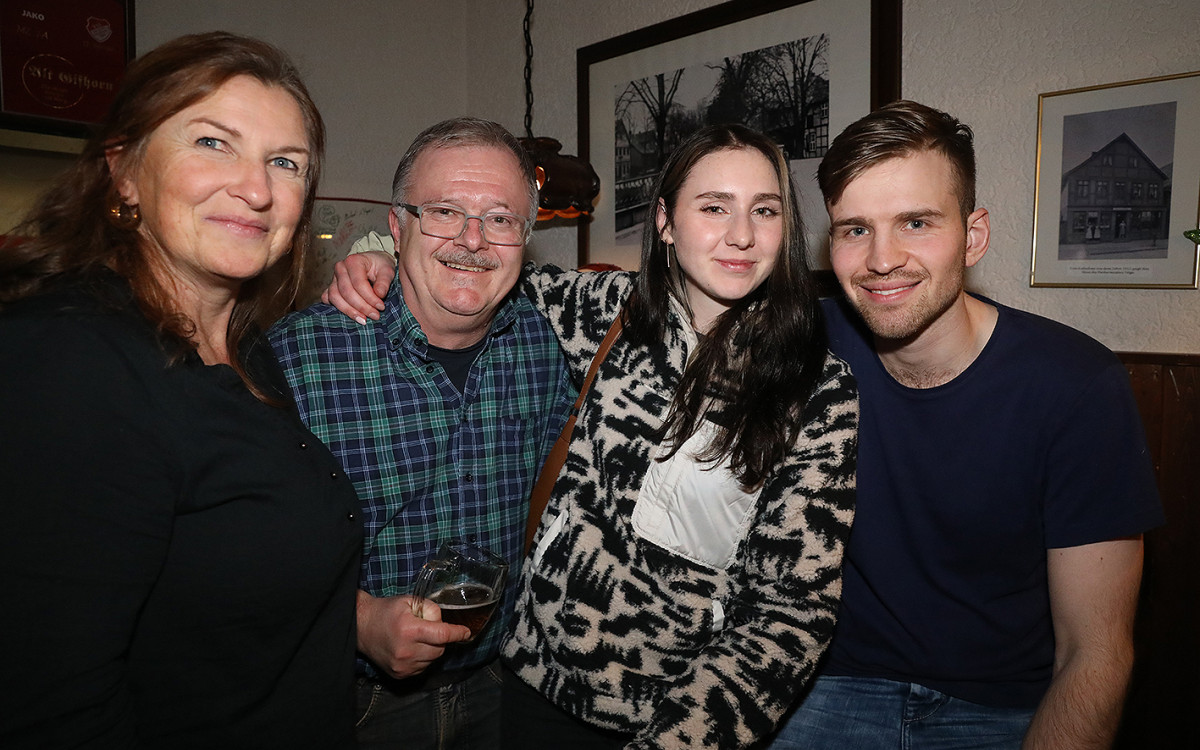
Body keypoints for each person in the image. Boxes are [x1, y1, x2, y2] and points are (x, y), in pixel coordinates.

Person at [323, 123, 860, 749]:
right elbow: (475, 267)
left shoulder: (816, 389)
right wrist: (379, 256)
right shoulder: (604, 312)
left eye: (764, 210)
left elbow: (791, 616)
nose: (741, 234)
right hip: (526, 688)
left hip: (669, 719)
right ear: (665, 222)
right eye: (714, 207)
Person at [0, 32, 361, 748]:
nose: (256, 189)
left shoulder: (244, 346)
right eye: (212, 142)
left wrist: (361, 623)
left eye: (285, 162)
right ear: (124, 170)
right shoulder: (68, 360)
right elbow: (50, 706)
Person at [767, 100, 1164, 748]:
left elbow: (1094, 652)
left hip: (1000, 706)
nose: (882, 259)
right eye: (855, 229)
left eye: (916, 222)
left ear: (974, 235)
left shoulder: (1076, 384)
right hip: (830, 685)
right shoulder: (801, 346)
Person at [268, 117, 574, 749]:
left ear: (525, 237)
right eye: (444, 212)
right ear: (398, 224)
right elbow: (239, 550)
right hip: (352, 703)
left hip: (511, 688)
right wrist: (357, 622)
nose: (472, 239)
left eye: (500, 218)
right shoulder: (296, 360)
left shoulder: (549, 345)